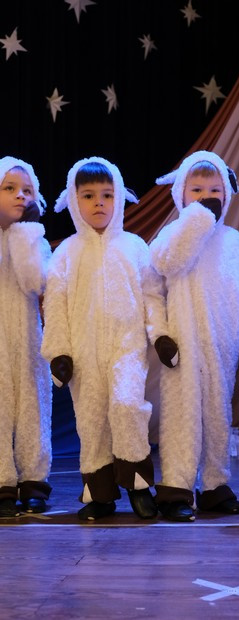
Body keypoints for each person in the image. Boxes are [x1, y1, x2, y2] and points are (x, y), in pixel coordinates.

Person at [41, 157, 168, 521]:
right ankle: (99, 494)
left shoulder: (134, 247)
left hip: (127, 348)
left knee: (128, 407)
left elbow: (152, 296)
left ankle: (139, 487)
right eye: (88, 195)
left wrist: (160, 335)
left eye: (107, 195)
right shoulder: (66, 253)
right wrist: (59, 353)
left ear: (119, 198)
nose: (99, 203)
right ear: (73, 200)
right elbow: (56, 307)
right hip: (83, 355)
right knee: (91, 421)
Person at [150, 150, 239, 522]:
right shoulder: (172, 235)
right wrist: (160, 334)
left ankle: (214, 484)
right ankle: (176, 486)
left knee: (217, 414)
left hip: (222, 344)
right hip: (182, 343)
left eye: (214, 190)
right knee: (182, 415)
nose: (206, 197)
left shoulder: (235, 242)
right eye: (196, 190)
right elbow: (162, 268)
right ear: (180, 192)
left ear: (227, 194)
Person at [0, 156, 52, 518]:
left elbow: (35, 282)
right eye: (10, 188)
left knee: (34, 408)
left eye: (28, 190)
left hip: (28, 340)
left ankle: (34, 481)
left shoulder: (36, 240)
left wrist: (26, 233)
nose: (21, 196)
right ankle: (3, 482)